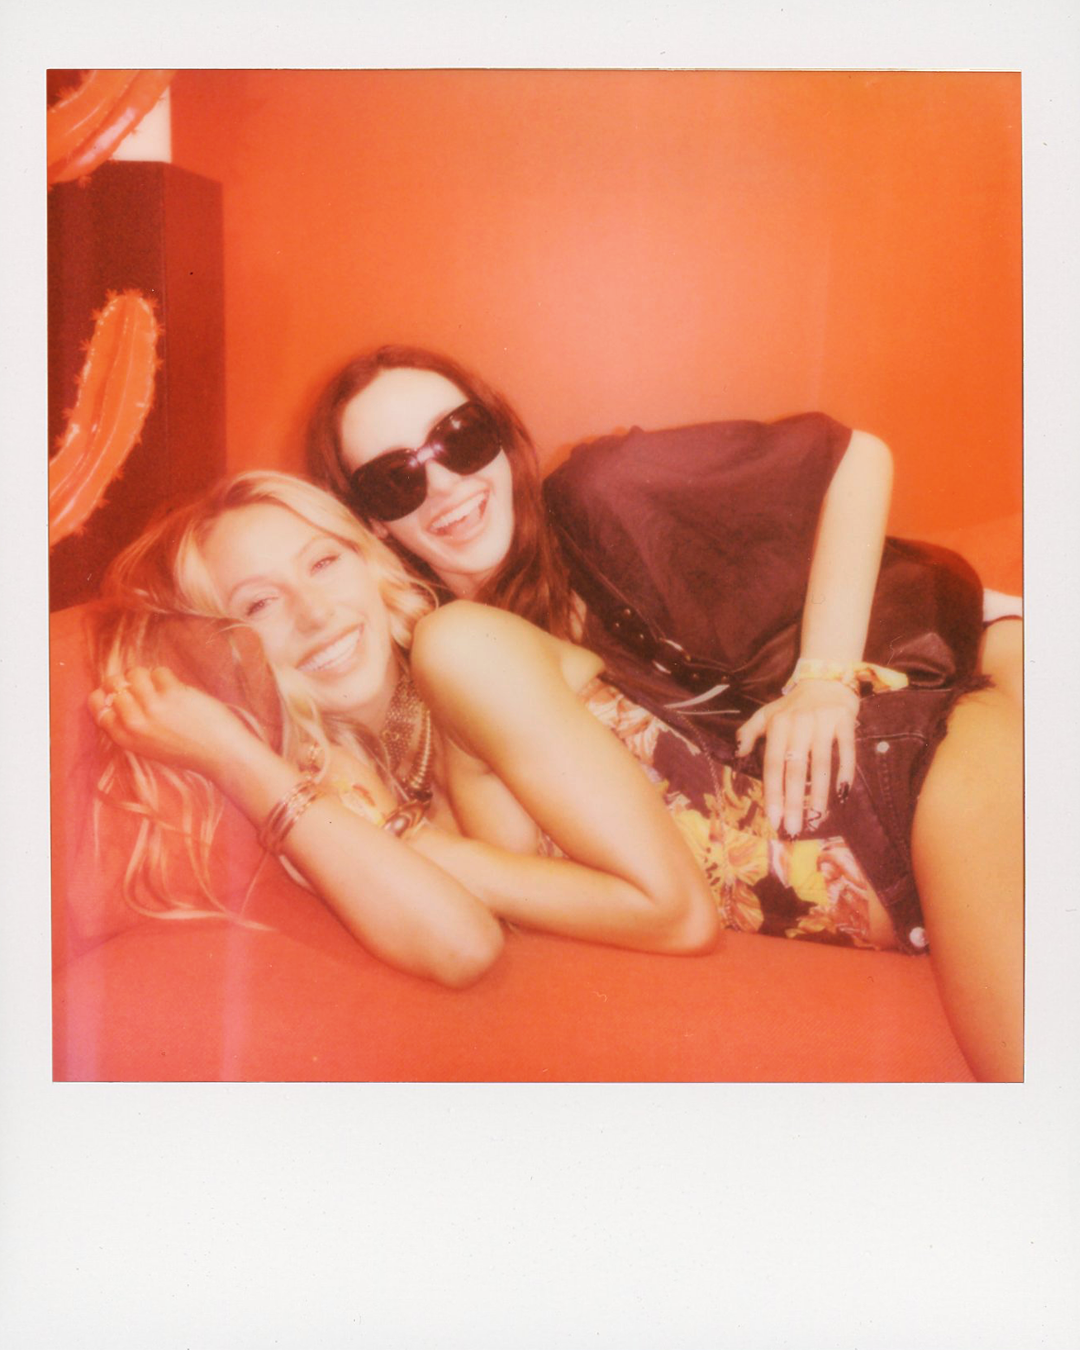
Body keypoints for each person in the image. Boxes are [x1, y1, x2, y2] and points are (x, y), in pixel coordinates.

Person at [306, 345, 1023, 1080]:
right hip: (894, 776)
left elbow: (856, 455)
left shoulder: (600, 493)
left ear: (500, 432)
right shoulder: (457, 666)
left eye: (459, 437)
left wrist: (825, 677)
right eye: (395, 479)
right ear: (373, 523)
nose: (444, 483)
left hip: (954, 674)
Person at [88, 472, 722, 992]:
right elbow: (462, 946)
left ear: (371, 562)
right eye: (260, 603)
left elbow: (682, 918)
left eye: (324, 562)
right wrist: (236, 758)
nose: (316, 612)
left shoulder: (462, 646)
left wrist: (427, 849)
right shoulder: (338, 777)